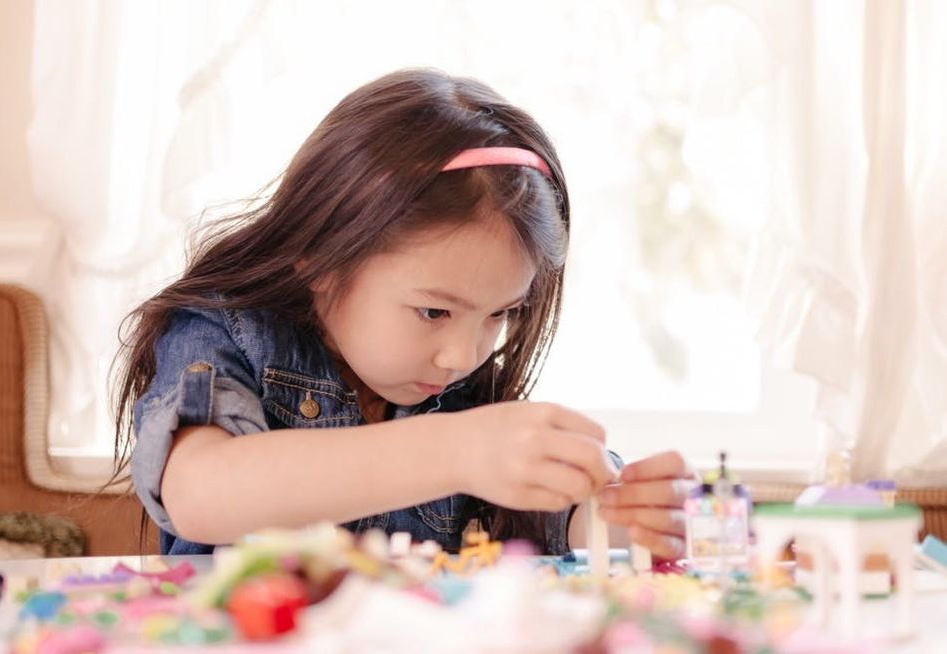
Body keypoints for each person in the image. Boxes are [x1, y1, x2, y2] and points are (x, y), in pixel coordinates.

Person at [113, 69, 696, 557]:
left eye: (501, 315)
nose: (465, 356)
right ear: (321, 256)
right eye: (435, 311)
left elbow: (542, 519)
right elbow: (201, 494)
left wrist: (613, 508)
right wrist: (455, 451)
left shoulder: (458, 392)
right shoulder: (222, 332)